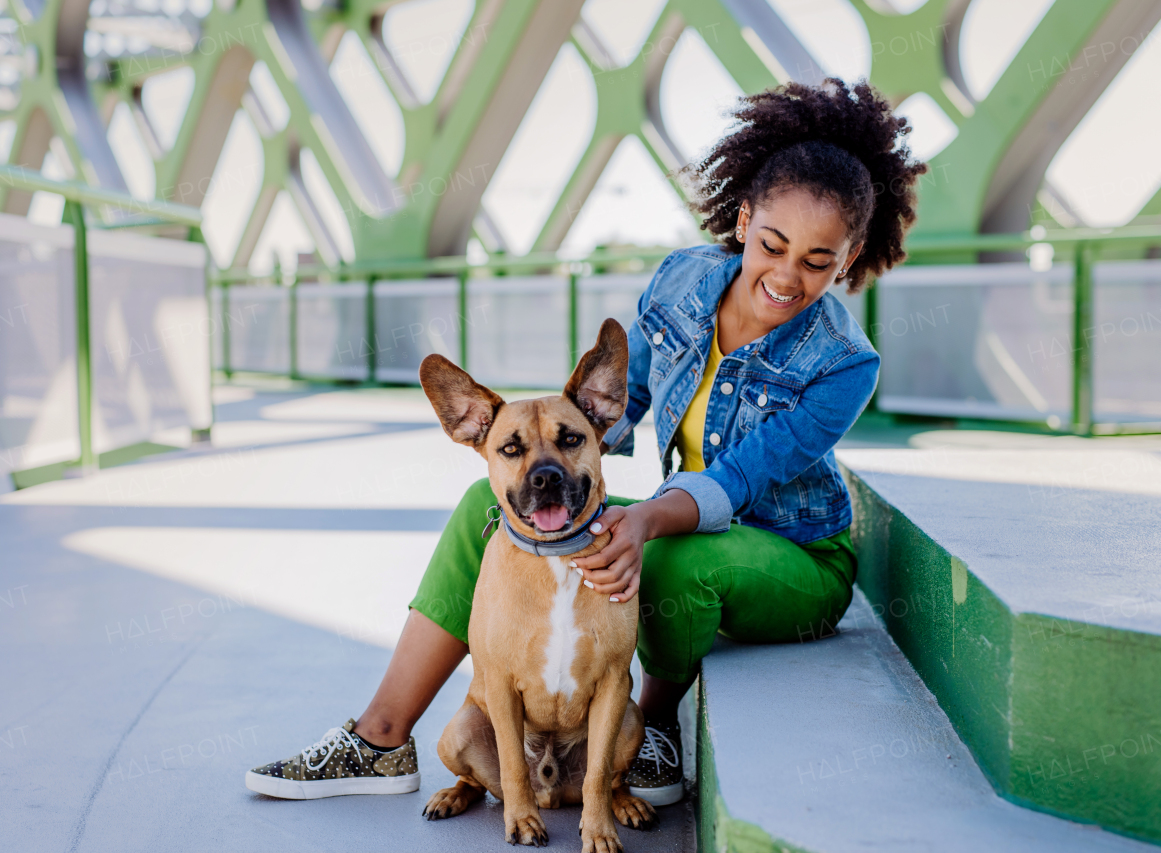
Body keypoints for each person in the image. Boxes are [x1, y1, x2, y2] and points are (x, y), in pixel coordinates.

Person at [244, 78, 927, 806]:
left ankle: (652, 720)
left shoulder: (845, 363)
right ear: (746, 216)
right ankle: (380, 737)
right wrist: (546, 453)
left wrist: (639, 519)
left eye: (819, 261)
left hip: (793, 556)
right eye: (773, 244)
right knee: (489, 500)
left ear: (851, 257)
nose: (787, 276)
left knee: (667, 550)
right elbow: (611, 404)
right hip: (680, 515)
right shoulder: (683, 283)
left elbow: (742, 476)